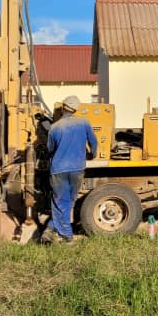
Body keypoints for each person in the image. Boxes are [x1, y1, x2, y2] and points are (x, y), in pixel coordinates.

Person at [42, 95, 97, 244]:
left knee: (61, 203)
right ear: (75, 109)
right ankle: (51, 229)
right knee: (68, 202)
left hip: (58, 170)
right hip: (77, 169)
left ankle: (66, 237)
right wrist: (92, 154)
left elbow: (50, 148)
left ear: (62, 108)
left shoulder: (54, 127)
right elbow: (94, 141)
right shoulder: (84, 122)